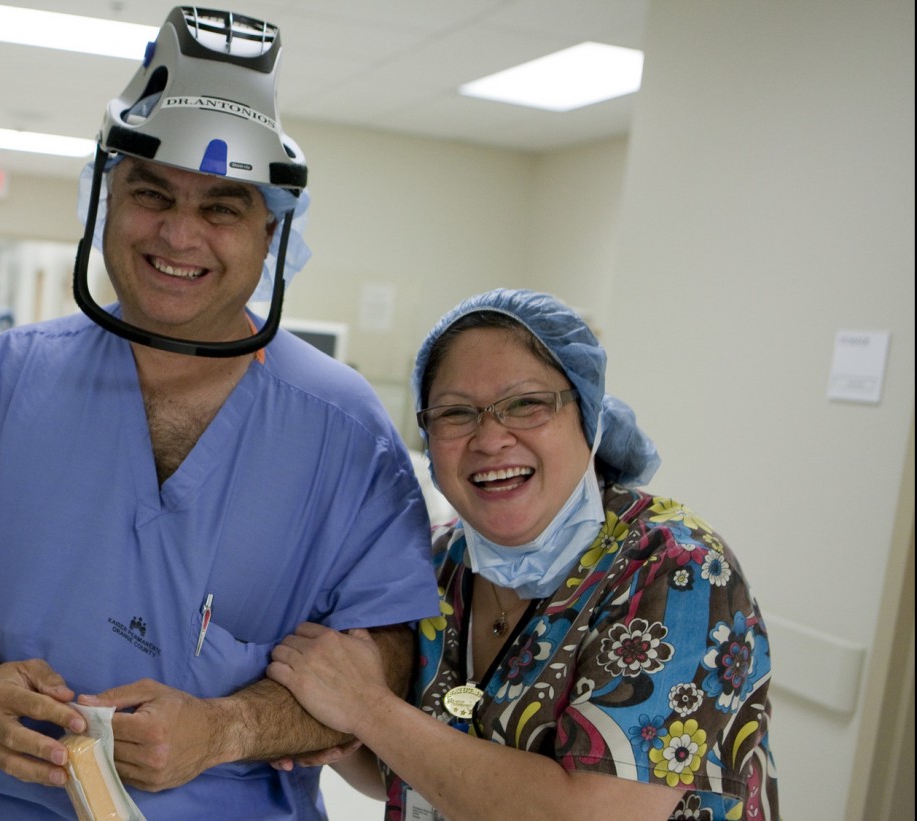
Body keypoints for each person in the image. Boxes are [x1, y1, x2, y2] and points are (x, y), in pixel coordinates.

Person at [0, 7, 441, 819]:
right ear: (105, 195)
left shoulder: (346, 432)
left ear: (271, 229)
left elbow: (390, 656)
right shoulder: (6, 377)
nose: (179, 232)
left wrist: (229, 727)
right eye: (152, 192)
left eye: (223, 207)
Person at [268, 288, 779, 821]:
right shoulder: (440, 567)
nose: (490, 438)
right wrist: (322, 718)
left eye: (527, 404)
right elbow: (400, 771)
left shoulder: (677, 570)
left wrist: (366, 709)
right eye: (455, 413)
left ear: (587, 415)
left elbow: (591, 813)